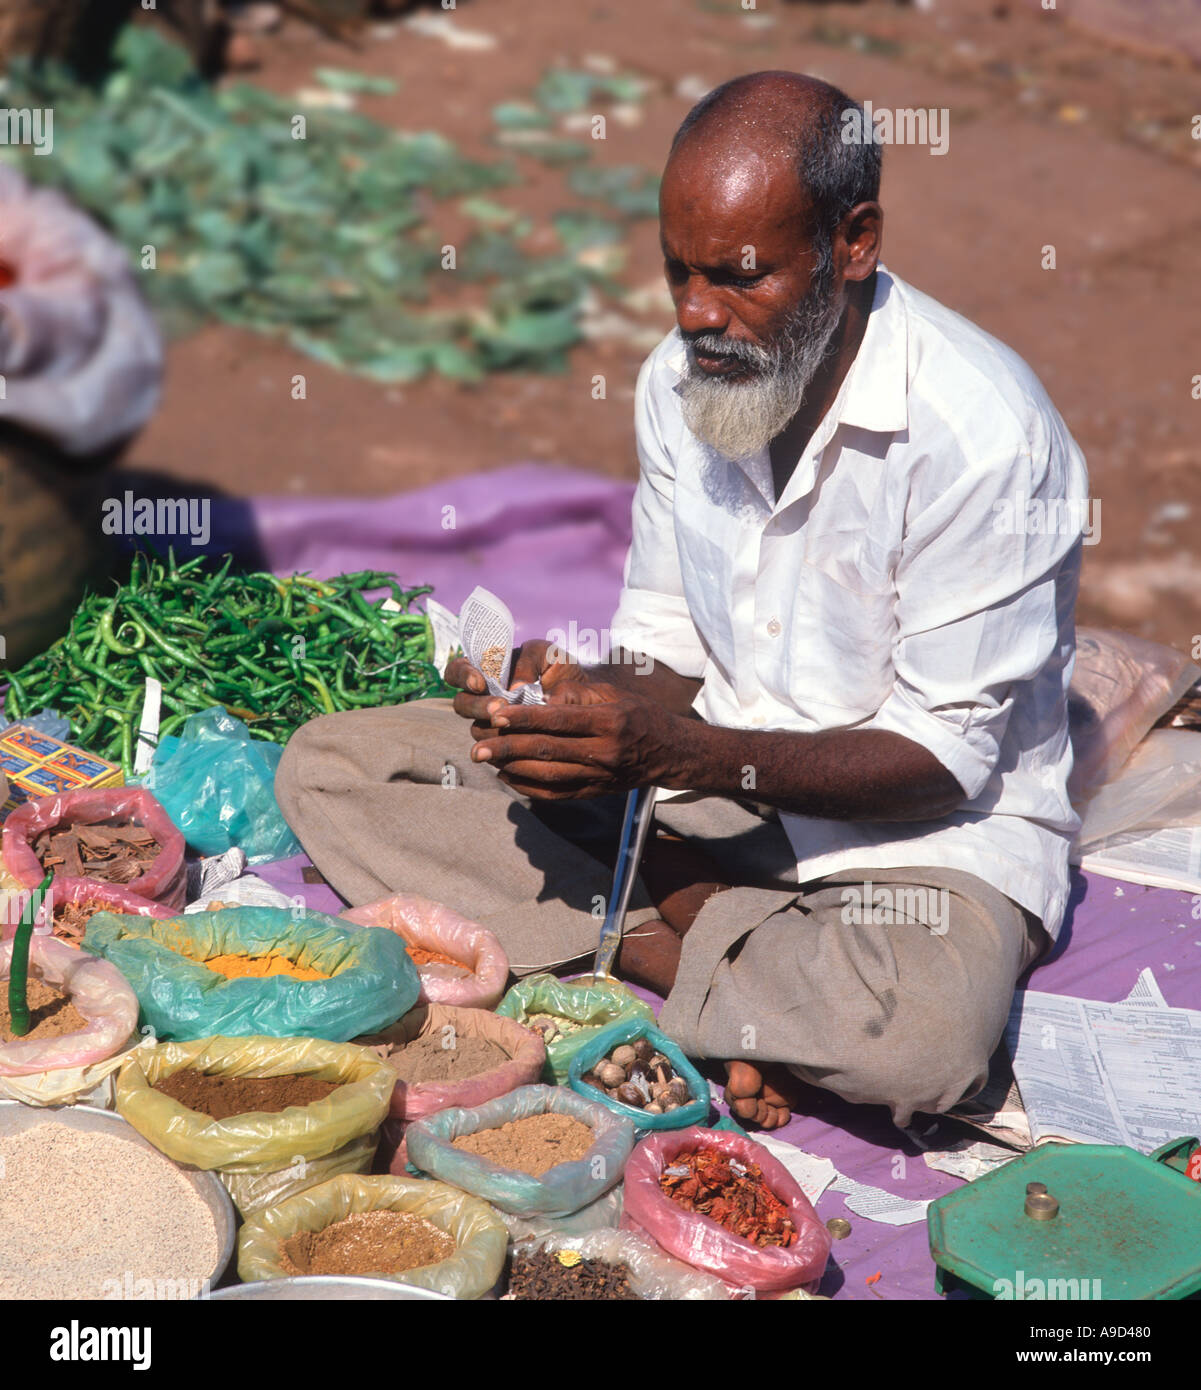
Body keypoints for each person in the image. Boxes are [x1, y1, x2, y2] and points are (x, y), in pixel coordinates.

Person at [276, 70, 1088, 1131]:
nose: (698, 315)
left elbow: (944, 760)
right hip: (705, 798)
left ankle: (654, 934)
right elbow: (665, 643)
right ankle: (715, 954)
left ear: (852, 242)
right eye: (678, 274)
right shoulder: (684, 378)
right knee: (336, 766)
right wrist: (569, 701)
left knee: (919, 1041)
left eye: (739, 277)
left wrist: (675, 760)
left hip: (917, 837)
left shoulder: (982, 435)